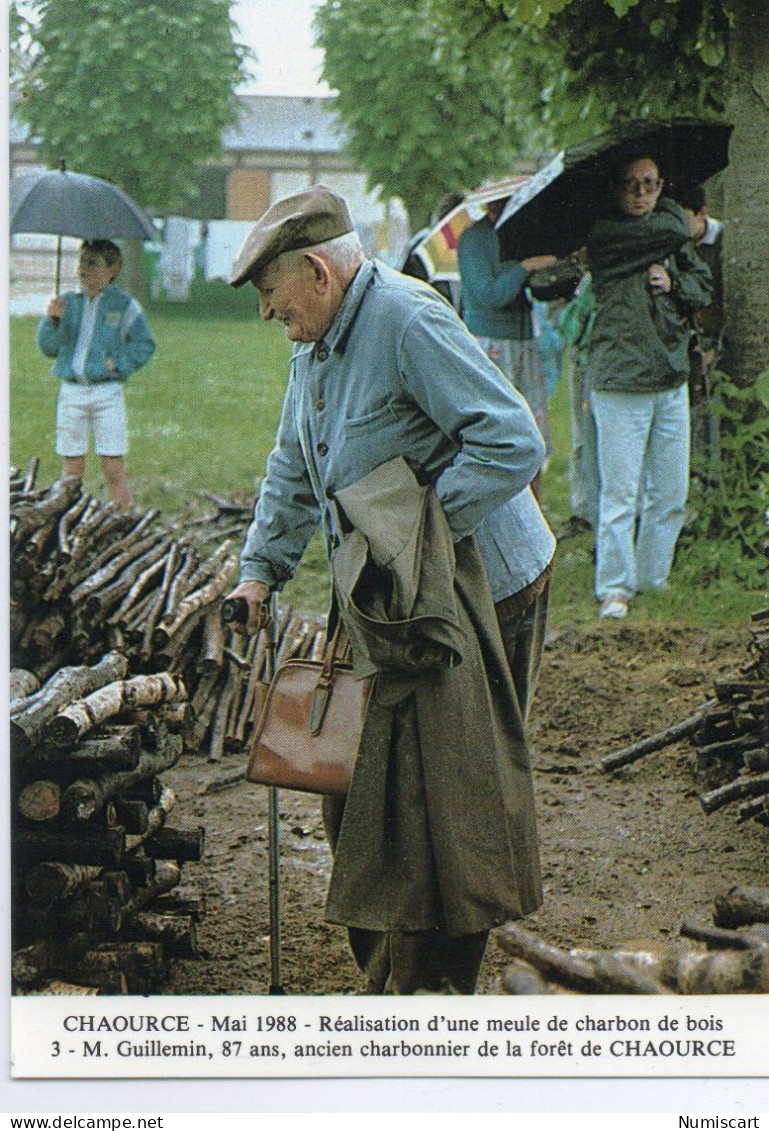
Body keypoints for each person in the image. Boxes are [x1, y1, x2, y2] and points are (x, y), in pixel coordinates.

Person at [226, 185, 555, 995]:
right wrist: (259, 568)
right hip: (395, 595)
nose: (267, 314)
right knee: (365, 788)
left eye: (271, 294)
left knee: (456, 793)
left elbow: (512, 441)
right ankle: (393, 975)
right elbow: (293, 464)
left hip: (484, 591)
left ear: (315, 271)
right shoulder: (317, 343)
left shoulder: (407, 320)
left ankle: (434, 991)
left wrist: (420, 535)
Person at [585, 155, 712, 619]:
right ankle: (615, 588)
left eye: (650, 184)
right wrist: (682, 225)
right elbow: (682, 229)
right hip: (621, 381)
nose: (641, 193)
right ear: (614, 188)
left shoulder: (668, 238)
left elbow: (702, 288)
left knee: (671, 492)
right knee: (621, 492)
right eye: (630, 184)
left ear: (661, 186)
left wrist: (673, 279)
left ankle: (653, 581)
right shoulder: (606, 234)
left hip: (670, 377)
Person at [36, 239, 156, 510]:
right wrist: (52, 321)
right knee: (72, 468)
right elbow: (49, 348)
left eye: (92, 263)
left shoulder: (123, 305)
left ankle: (122, 518)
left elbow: (144, 344)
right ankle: (66, 518)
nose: (83, 269)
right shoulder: (67, 302)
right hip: (72, 392)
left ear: (113, 268)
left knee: (113, 465)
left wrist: (120, 363)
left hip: (106, 393)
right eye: (81, 262)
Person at [457, 197, 558, 500]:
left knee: (533, 426)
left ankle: (535, 506)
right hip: (490, 341)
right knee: (496, 429)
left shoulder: (521, 234)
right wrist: (524, 267)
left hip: (523, 337)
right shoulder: (474, 239)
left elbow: (538, 288)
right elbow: (488, 294)